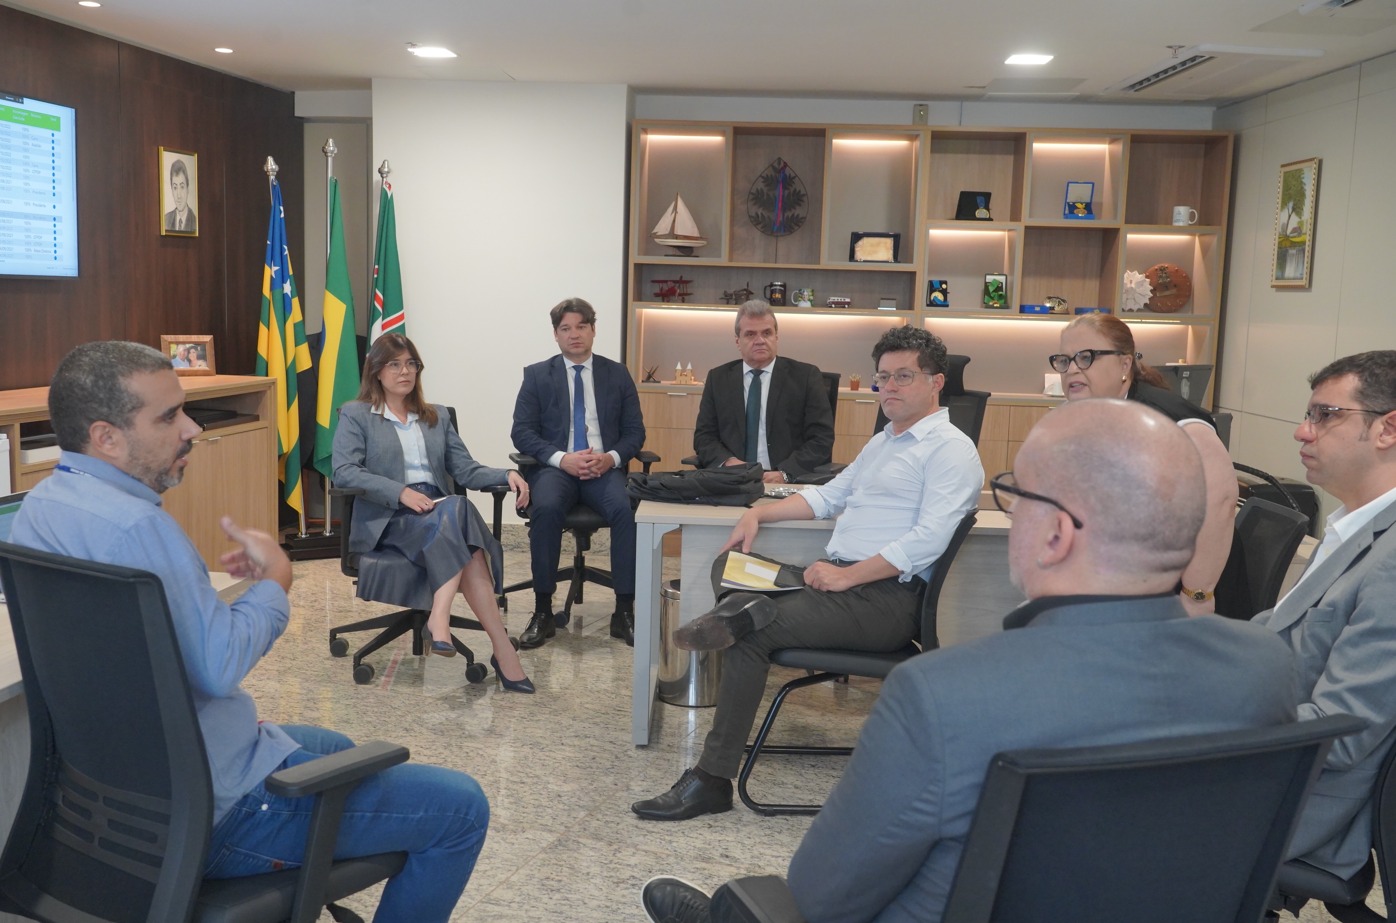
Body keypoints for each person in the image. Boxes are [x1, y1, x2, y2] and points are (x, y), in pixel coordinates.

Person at [639, 398, 1300, 923]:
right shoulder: (1265, 667)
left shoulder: (943, 696)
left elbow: (821, 894)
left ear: (1055, 534)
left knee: (752, 903)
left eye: (1016, 496)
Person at [11, 341, 488, 922]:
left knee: (337, 749)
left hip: (119, 799)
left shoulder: (39, 507)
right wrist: (275, 582)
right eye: (169, 416)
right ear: (106, 437)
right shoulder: (138, 529)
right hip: (218, 811)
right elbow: (217, 667)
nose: (192, 429)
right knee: (462, 809)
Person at [631, 326, 984, 822]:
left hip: (884, 600)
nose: (889, 387)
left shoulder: (950, 449)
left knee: (750, 633)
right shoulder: (884, 442)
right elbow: (828, 496)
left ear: (936, 382)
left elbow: (930, 538)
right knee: (730, 562)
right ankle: (739, 612)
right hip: (840, 585)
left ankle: (712, 780)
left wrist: (849, 577)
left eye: (903, 376)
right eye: (883, 377)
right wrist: (758, 513)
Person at [1254, 350, 1396, 883]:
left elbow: (1343, 730)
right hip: (1270, 761)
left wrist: (1214, 711)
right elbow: (1278, 633)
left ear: (1388, 429)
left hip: (1300, 806)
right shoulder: (1356, 526)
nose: (1301, 431)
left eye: (1325, 415)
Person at [333, 332, 534, 692]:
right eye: (394, 364)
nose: (405, 371)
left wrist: (506, 474)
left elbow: (465, 470)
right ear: (376, 371)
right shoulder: (357, 414)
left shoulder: (435, 416)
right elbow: (344, 472)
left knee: (456, 507)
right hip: (391, 517)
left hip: (439, 511)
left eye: (411, 364)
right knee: (468, 542)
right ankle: (500, 650)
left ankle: (445, 622)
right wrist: (400, 493)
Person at [1053, 313, 1245, 617]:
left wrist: (1197, 595)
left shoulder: (1167, 419)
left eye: (1085, 357)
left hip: (1185, 597)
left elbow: (1219, 498)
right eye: (1064, 361)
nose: (1072, 369)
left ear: (1124, 365)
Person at [510, 297, 646, 648]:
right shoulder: (537, 375)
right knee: (546, 508)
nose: (574, 334)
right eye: (566, 328)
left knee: (625, 511)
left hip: (603, 468)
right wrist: (561, 459)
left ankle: (624, 611)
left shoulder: (617, 374)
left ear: (593, 330)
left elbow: (635, 432)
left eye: (581, 326)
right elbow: (522, 432)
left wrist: (611, 458)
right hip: (556, 469)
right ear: (555, 334)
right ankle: (543, 611)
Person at [693, 300, 834, 484]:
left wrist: (785, 473)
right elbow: (704, 437)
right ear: (737, 341)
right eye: (750, 334)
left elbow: (821, 439)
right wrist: (729, 463)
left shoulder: (805, 377)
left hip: (787, 480)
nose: (760, 341)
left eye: (767, 333)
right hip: (732, 479)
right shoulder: (718, 379)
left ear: (776, 337)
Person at [164, 158, 197, 233]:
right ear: (172, 190)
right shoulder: (165, 220)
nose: (178, 195)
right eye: (175, 188)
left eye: (182, 187)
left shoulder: (195, 222)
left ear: (188, 189)